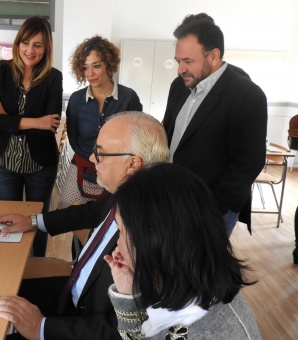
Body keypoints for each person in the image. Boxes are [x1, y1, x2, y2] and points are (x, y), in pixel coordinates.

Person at [0, 112, 170, 340]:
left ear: (132, 163)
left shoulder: (153, 233)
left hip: (85, 321)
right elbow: (88, 212)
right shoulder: (129, 192)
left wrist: (40, 328)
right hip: (72, 291)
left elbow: (126, 327)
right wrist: (33, 221)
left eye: (99, 153)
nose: (92, 159)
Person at [105, 163, 261, 339]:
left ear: (152, 241)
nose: (116, 244)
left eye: (121, 231)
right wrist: (128, 295)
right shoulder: (195, 292)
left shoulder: (205, 333)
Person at [162, 13, 268, 236]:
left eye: (188, 61)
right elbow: (168, 132)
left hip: (210, 210)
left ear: (213, 56)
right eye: (178, 61)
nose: (180, 69)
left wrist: (215, 206)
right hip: (171, 201)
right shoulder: (178, 86)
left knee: (201, 269)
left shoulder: (247, 95)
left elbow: (248, 161)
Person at [0, 16, 63, 256]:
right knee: (8, 221)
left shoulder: (53, 77)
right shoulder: (0, 70)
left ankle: (35, 268)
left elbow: (51, 124)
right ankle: (10, 266)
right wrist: (35, 121)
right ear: (17, 44)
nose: (30, 50)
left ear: (46, 47)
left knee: (37, 222)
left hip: (40, 164)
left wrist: (7, 117)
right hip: (4, 162)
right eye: (25, 43)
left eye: (37, 45)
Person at [58, 35, 142, 209]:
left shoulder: (128, 97)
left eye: (96, 66)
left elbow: (136, 137)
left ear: (109, 65)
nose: (90, 74)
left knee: (112, 219)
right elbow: (74, 139)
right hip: (83, 166)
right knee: (69, 213)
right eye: (85, 67)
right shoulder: (76, 99)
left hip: (117, 171)